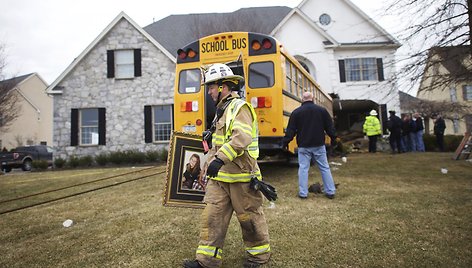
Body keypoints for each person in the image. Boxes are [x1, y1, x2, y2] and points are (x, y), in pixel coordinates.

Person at [183, 63, 271, 268]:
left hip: (242, 177)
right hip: (220, 179)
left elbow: (241, 138)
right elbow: (221, 141)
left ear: (223, 86)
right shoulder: (220, 111)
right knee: (212, 218)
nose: (209, 92)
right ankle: (206, 261)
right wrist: (207, 163)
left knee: (249, 219)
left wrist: (220, 159)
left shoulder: (240, 107)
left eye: (211, 87)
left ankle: (258, 258)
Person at [282, 91, 337, 199]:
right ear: (313, 99)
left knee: (303, 168)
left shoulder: (296, 112)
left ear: (302, 99)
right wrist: (334, 138)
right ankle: (330, 191)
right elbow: (329, 127)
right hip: (319, 145)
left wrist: (285, 142)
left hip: (303, 146)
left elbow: (291, 130)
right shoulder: (322, 111)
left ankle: (303, 193)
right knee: (324, 167)